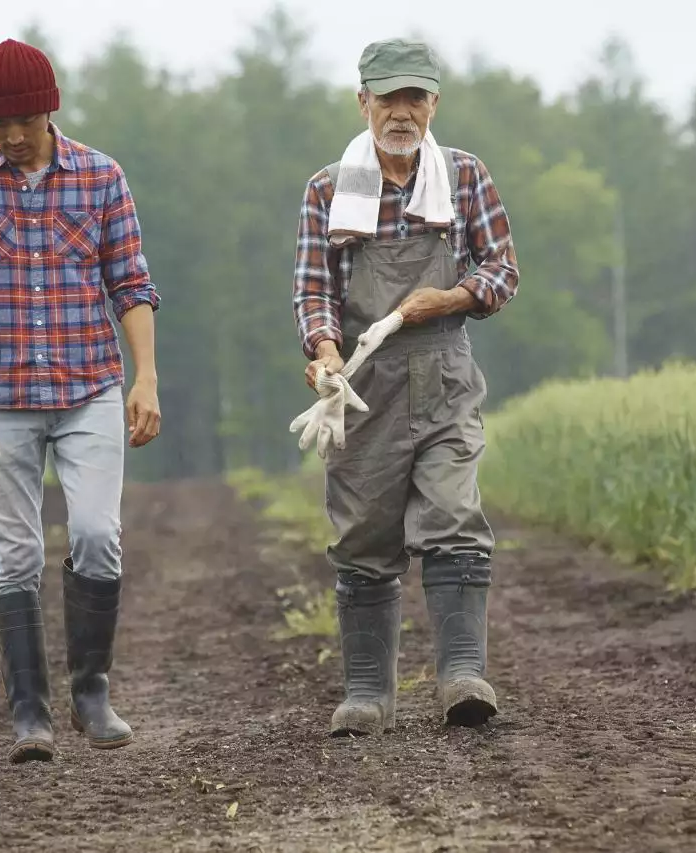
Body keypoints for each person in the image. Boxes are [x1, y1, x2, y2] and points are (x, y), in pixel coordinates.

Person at [0, 38, 161, 763]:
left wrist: (145, 375)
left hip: (89, 386)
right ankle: (29, 711)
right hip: (2, 398)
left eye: (25, 119)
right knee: (17, 554)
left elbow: (131, 283)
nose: (15, 136)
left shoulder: (100, 177)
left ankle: (91, 692)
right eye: (0, 125)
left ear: (49, 108)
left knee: (95, 532)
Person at [291, 38, 519, 736]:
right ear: (362, 102)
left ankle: (461, 677)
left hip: (445, 372)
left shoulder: (465, 177)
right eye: (387, 97)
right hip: (366, 387)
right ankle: (367, 691)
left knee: (453, 512)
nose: (401, 111)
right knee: (363, 532)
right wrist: (325, 351)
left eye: (414, 97)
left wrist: (445, 299)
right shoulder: (328, 189)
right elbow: (312, 291)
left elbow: (502, 270)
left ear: (434, 104)